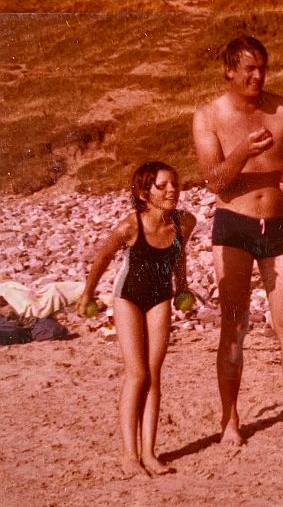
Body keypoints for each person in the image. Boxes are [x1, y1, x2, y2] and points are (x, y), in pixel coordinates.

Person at [193, 36, 283, 447]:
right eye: (249, 69)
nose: (257, 76)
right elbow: (216, 181)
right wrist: (240, 151)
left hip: (277, 225)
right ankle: (231, 421)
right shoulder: (208, 116)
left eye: (262, 69)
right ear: (229, 71)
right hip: (233, 224)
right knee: (234, 328)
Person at [77, 161, 197, 477]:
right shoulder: (131, 226)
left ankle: (150, 453)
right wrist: (87, 294)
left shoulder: (185, 222)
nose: (172, 190)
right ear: (144, 193)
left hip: (161, 298)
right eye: (163, 185)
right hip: (127, 298)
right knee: (137, 373)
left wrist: (182, 288)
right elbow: (103, 257)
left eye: (175, 183)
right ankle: (130, 456)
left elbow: (179, 255)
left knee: (154, 375)